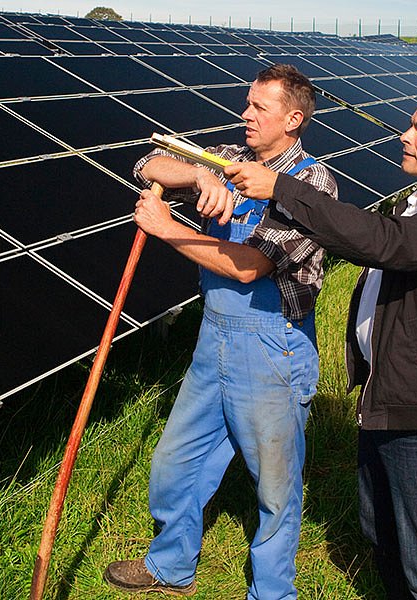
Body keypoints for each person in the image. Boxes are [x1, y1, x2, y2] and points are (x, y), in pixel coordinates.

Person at [224, 89, 417, 599]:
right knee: (383, 537)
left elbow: (382, 242)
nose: (405, 136)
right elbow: (372, 239)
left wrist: (283, 189)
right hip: (386, 401)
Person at [103, 63, 338, 599]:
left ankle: (272, 592)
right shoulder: (231, 161)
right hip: (215, 339)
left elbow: (251, 266)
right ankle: (171, 565)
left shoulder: (311, 183)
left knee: (275, 484)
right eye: (247, 103)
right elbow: (148, 162)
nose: (245, 114)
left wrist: (168, 229)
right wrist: (200, 176)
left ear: (294, 119)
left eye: (260, 107)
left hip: (273, 343)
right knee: (175, 460)